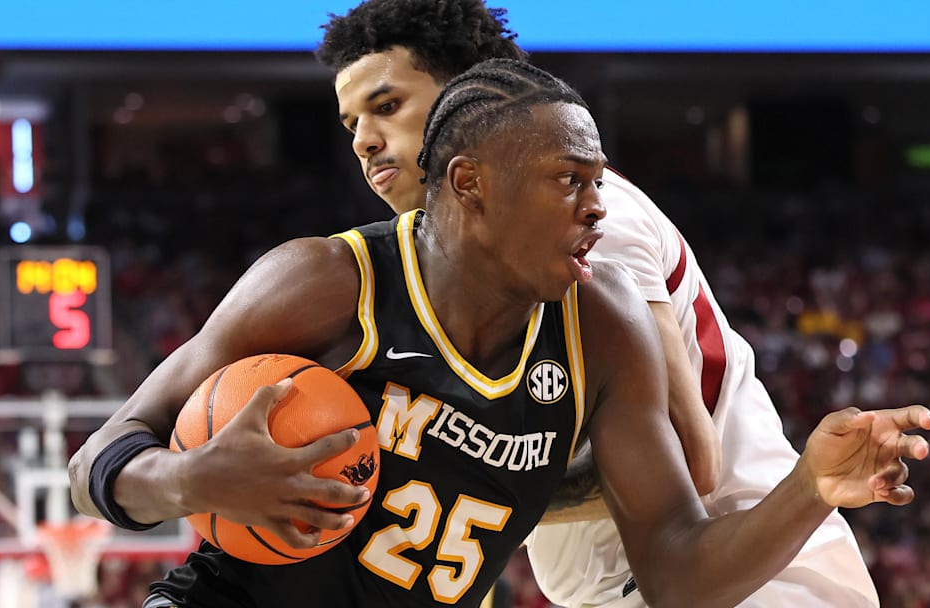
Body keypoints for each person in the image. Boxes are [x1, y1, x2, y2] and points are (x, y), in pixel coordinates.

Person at [69, 60, 930, 608]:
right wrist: (189, 478)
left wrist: (811, 486)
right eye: (569, 180)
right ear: (471, 183)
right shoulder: (328, 282)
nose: (598, 206)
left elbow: (677, 571)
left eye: (597, 181)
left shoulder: (607, 327)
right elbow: (97, 462)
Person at [317, 1, 881, 605]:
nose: (364, 142)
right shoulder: (470, 255)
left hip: (751, 577)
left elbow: (694, 459)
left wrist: (448, 481)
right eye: (351, 123)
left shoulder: (583, 222)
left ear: (471, 97)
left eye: (387, 107)